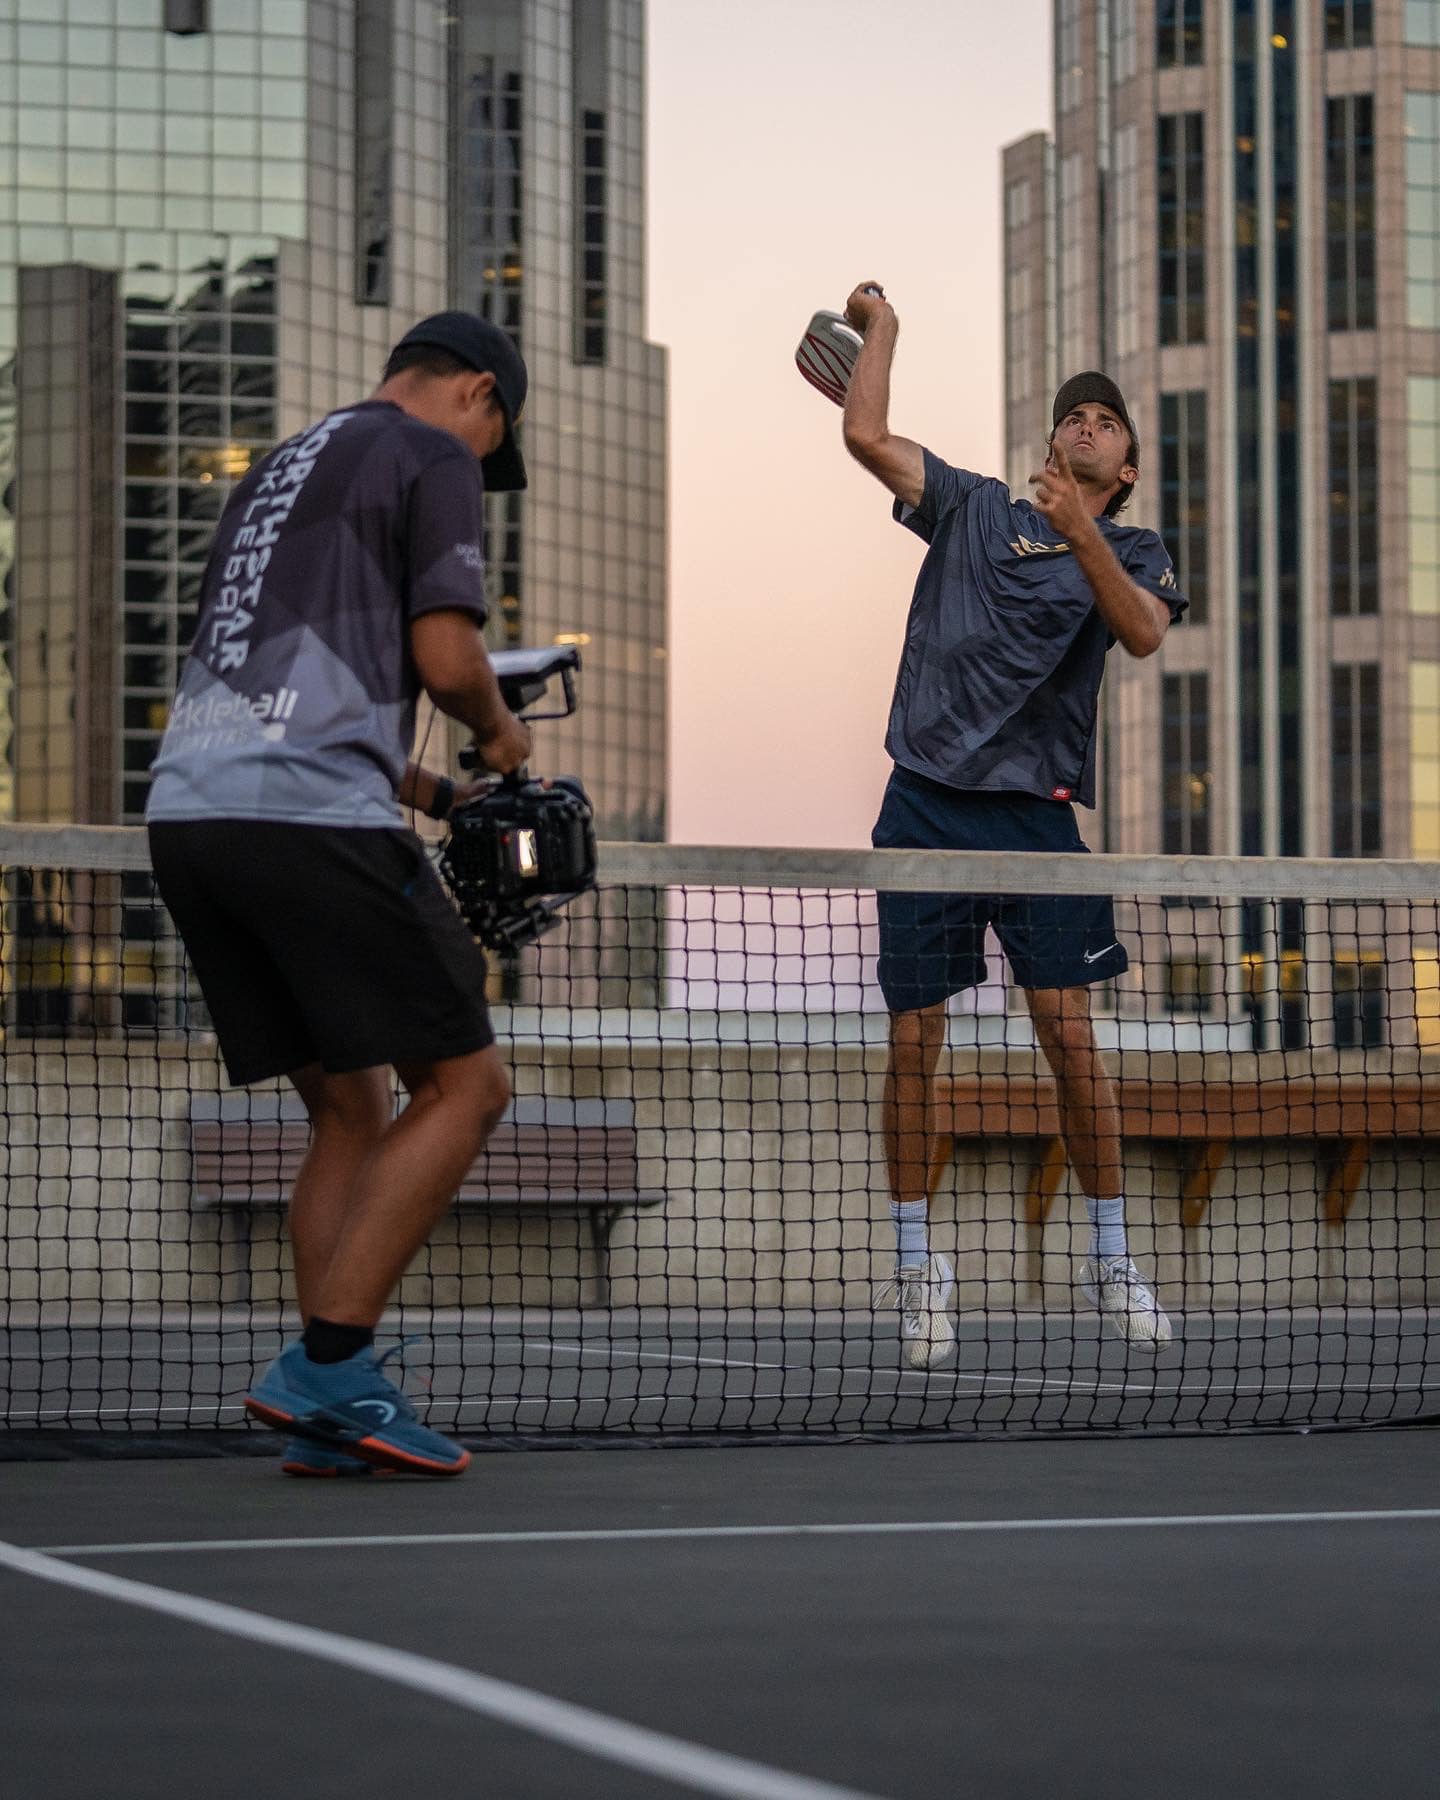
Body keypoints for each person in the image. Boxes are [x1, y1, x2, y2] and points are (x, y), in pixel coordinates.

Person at [146, 312, 535, 1476]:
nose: (482, 462)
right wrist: (502, 743)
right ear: (475, 394)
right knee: (468, 1085)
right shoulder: (429, 457)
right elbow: (449, 660)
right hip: (307, 820)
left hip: (194, 820)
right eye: (493, 436)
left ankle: (331, 1407)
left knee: (351, 1113)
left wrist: (431, 789)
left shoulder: (280, 468)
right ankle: (329, 1365)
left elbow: (282, 674)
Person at [838, 281, 1185, 1366]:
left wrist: (1084, 533)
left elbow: (1142, 637)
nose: (1086, 422)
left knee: (1070, 1040)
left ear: (1121, 470)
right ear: (1050, 443)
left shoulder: (1132, 551)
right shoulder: (972, 506)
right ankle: (916, 1265)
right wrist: (881, 332)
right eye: (1073, 415)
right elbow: (864, 434)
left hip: (1036, 821)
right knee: (914, 1042)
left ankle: (1112, 1257)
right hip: (928, 804)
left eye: (1107, 421)